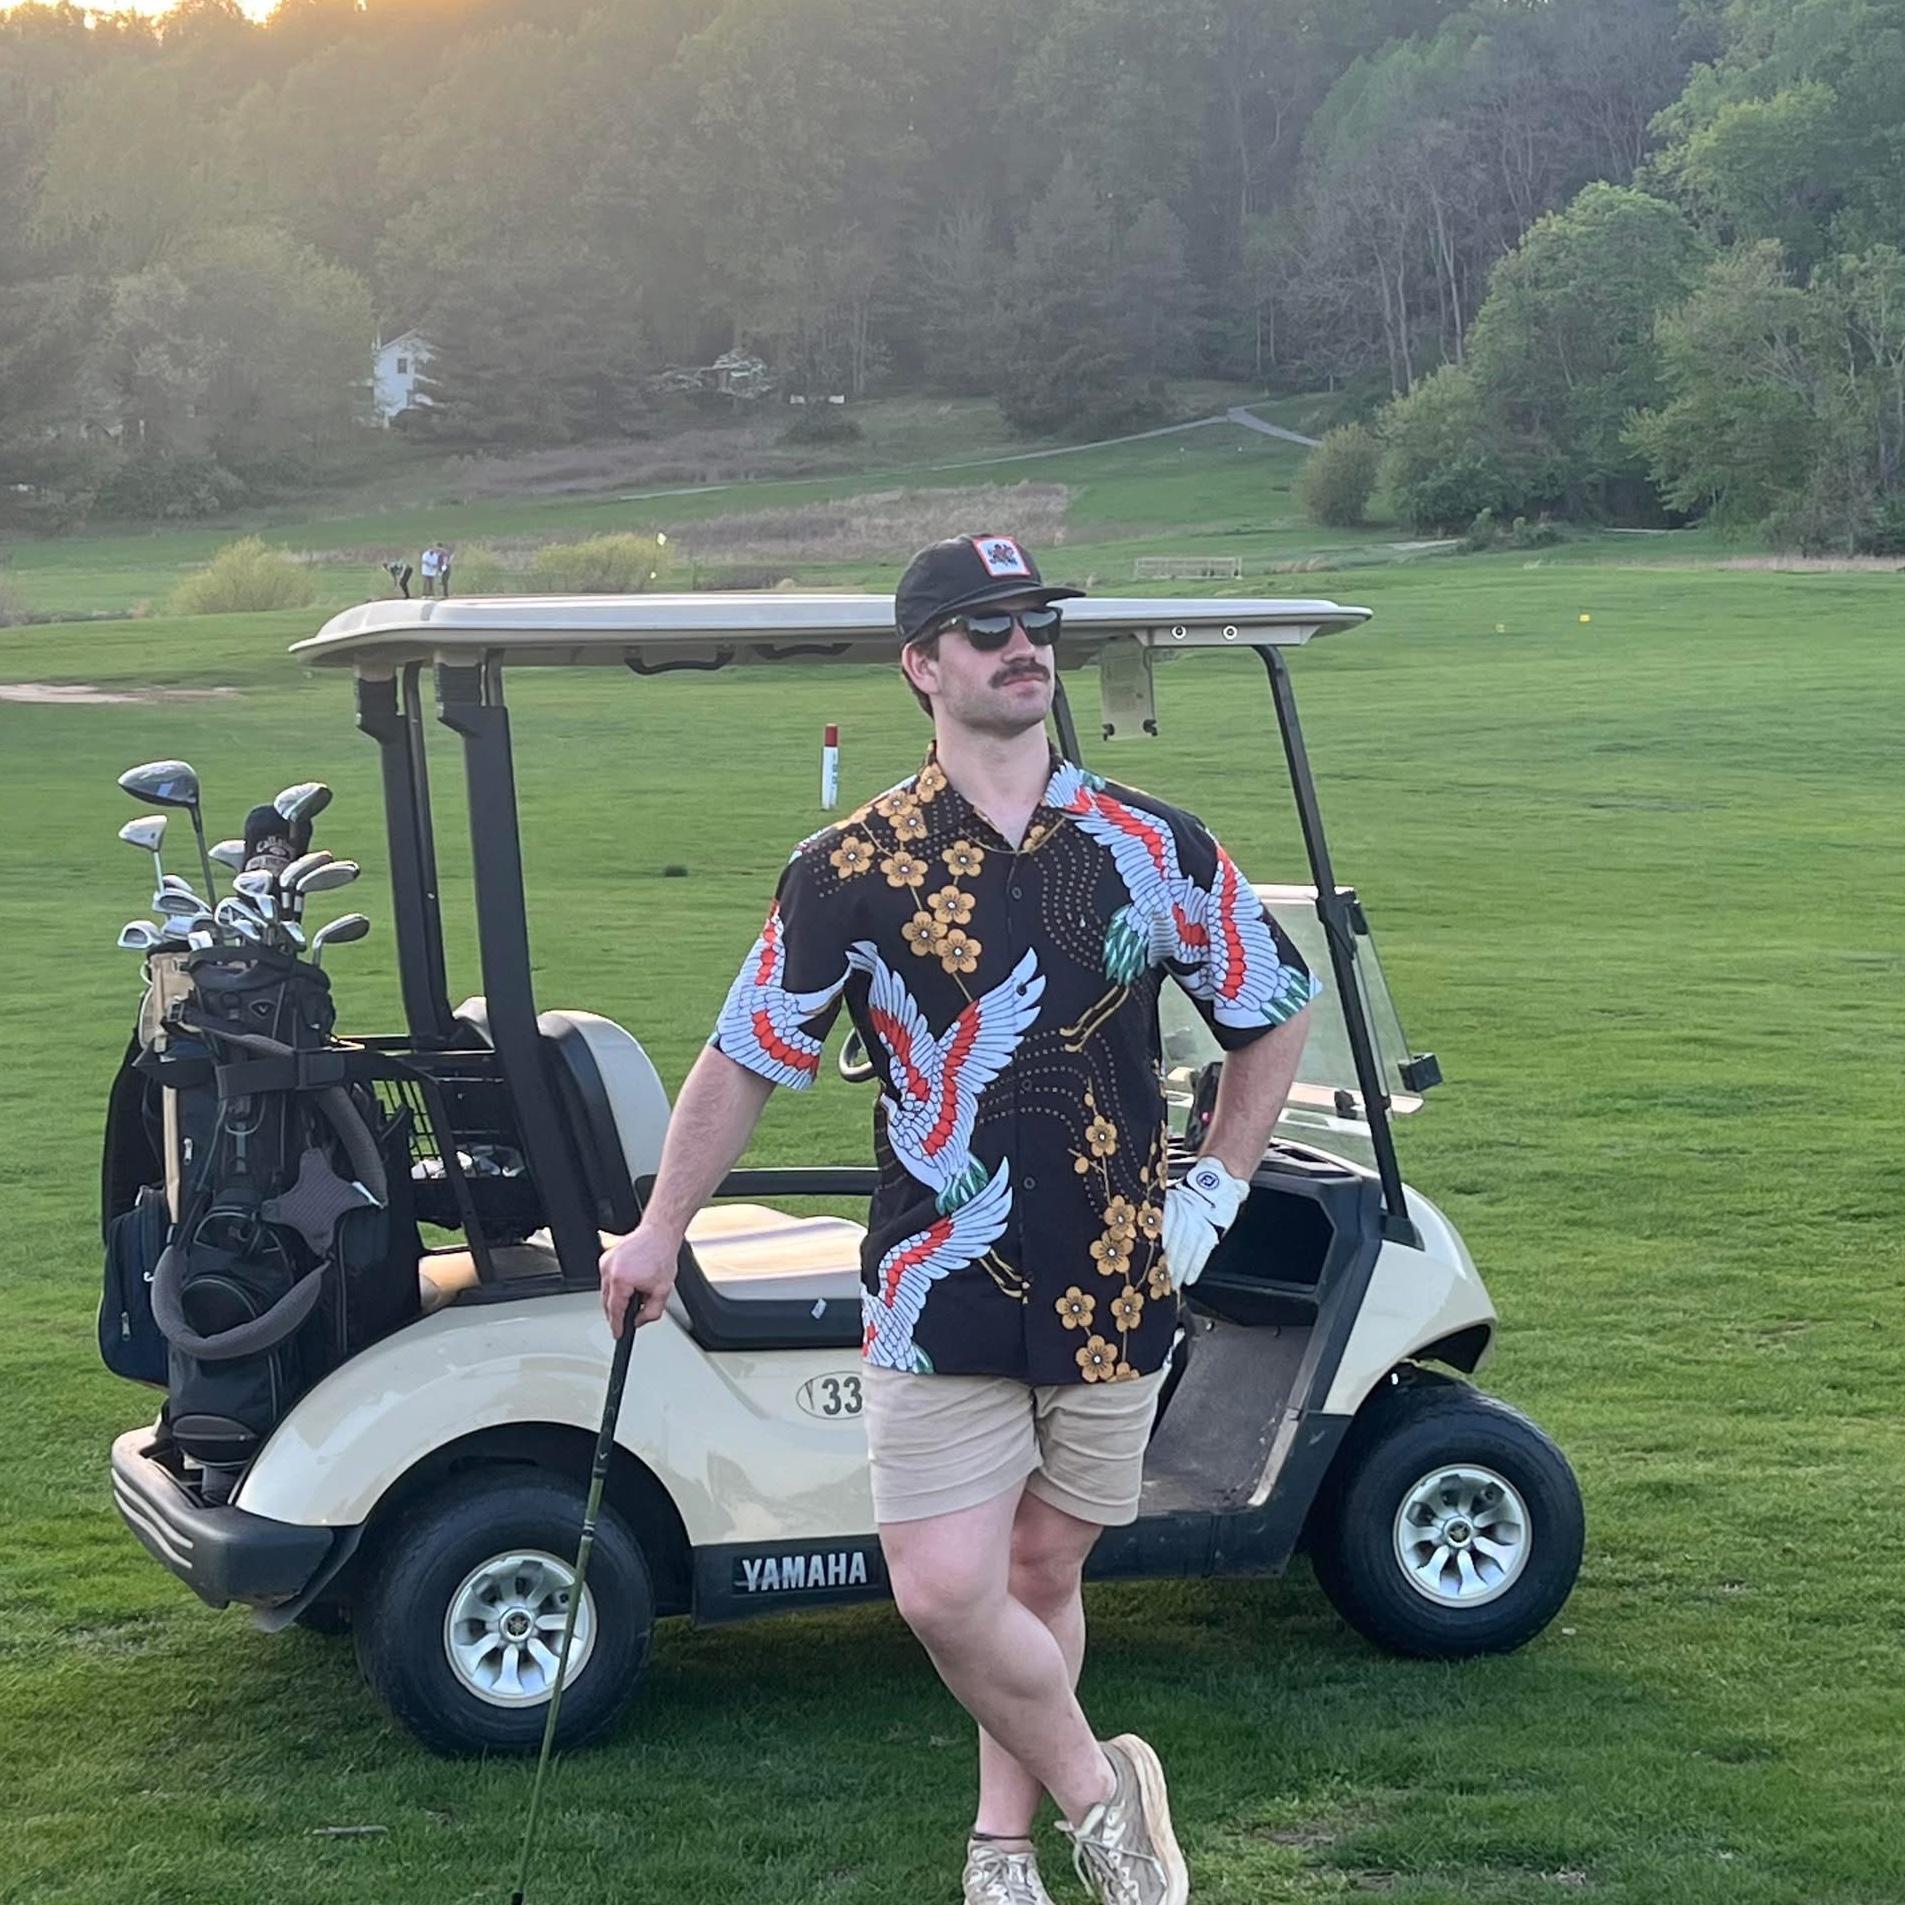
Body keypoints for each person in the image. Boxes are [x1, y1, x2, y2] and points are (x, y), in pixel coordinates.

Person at [599, 534, 1319, 1905]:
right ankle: (1106, 1798)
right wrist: (657, 1227)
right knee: (941, 1589)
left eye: (1035, 621)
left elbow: (1269, 1005)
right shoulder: (847, 867)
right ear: (921, 665)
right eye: (986, 627)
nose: (1022, 646)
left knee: (1042, 1570)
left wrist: (1219, 1182)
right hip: (939, 1279)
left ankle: (999, 1853)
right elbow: (746, 1054)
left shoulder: (1150, 843)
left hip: (1117, 1274)